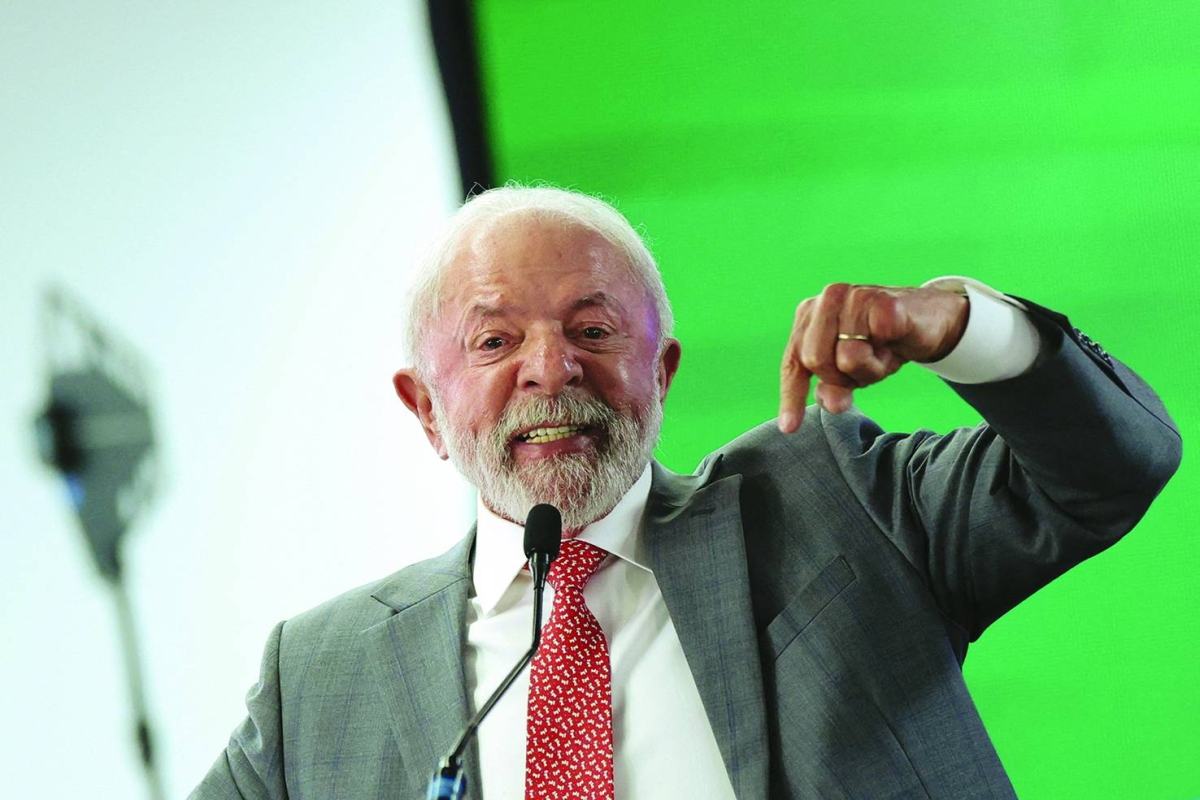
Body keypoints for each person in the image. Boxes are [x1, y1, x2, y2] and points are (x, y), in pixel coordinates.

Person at [191, 186, 1180, 799]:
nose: (551, 369)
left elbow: (1108, 471)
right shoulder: (321, 676)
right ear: (422, 407)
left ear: (660, 374)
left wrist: (966, 327)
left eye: (594, 329)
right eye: (494, 340)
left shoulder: (833, 501)